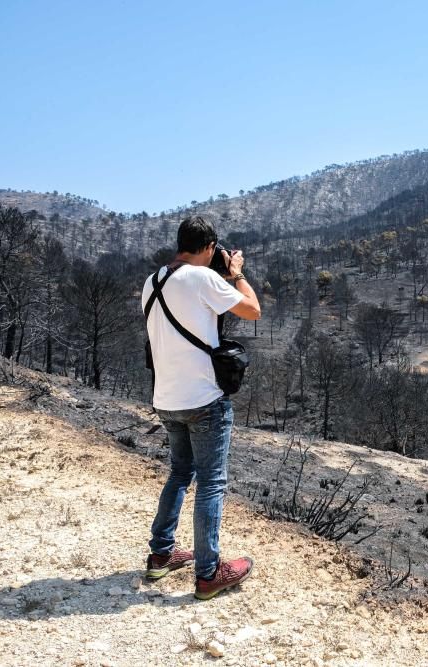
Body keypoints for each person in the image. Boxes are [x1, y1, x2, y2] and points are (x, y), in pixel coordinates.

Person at [141, 215, 261, 600]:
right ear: (209, 248)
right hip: (204, 399)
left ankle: (160, 556)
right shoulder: (204, 277)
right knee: (212, 482)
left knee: (179, 474)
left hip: (166, 399)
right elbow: (253, 310)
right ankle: (208, 574)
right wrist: (236, 273)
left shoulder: (152, 281)